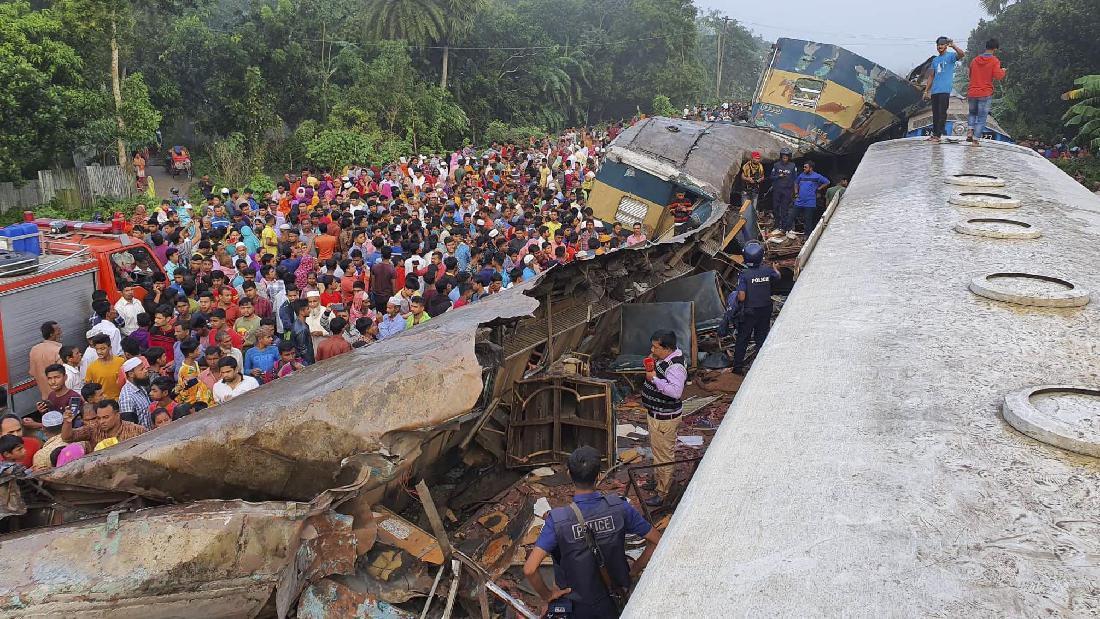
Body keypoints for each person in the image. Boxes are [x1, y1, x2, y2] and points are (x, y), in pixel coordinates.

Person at [523, 446, 662, 618]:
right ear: (598, 476)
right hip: (614, 599)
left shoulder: (557, 521)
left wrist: (548, 596)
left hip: (576, 606)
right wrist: (634, 570)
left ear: (568, 475)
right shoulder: (621, 508)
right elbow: (656, 540)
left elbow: (529, 569)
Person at [639, 330, 687, 507]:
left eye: (655, 347)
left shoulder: (675, 367)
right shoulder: (667, 359)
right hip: (656, 415)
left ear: (667, 348)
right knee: (658, 452)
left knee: (664, 456)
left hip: (664, 419)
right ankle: (659, 481)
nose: (652, 349)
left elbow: (675, 392)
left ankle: (663, 492)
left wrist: (654, 380)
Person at [731, 241, 780, 374]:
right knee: (761, 338)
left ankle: (737, 368)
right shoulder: (767, 270)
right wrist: (775, 268)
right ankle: (761, 367)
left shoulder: (744, 274)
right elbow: (777, 277)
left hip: (749, 311)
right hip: (765, 309)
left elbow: (741, 297)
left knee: (743, 338)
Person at [923, 36, 965, 144]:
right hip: (935, 90)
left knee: (942, 113)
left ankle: (938, 135)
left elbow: (962, 54)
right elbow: (931, 76)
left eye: (941, 45)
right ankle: (934, 134)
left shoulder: (950, 56)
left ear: (946, 46)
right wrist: (926, 90)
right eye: (938, 45)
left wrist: (954, 46)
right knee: (935, 113)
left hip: (945, 90)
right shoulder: (935, 60)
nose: (939, 47)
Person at [967, 38, 1006, 146]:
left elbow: (970, 75)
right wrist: (1003, 71)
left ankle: (970, 131)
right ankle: (975, 140)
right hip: (985, 93)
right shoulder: (994, 61)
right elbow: (998, 76)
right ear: (995, 49)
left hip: (972, 92)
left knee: (972, 113)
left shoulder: (975, 60)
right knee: (981, 118)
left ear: (986, 47)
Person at [61, 399, 146, 448]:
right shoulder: (92, 429)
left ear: (117, 415)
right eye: (99, 418)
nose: (101, 422)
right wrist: (67, 422)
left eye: (106, 417)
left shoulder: (137, 431)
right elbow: (67, 438)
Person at [793, 161, 829, 236]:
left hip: (810, 202)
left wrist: (819, 188)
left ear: (811, 168)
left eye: (806, 167)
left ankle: (808, 236)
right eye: (804, 167)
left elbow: (827, 182)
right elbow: (796, 183)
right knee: (792, 215)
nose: (804, 168)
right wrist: (796, 193)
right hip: (800, 201)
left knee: (808, 220)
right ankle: (786, 230)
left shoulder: (817, 176)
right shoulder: (801, 175)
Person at [84, 334, 124, 400]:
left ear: (110, 347)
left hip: (121, 399)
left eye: (103, 349)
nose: (99, 352)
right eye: (97, 349)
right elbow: (88, 386)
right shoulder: (91, 367)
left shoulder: (121, 362)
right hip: (103, 403)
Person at [29, 321, 63, 399]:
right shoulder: (58, 350)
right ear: (51, 334)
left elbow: (32, 372)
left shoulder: (34, 349)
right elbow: (63, 375)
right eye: (58, 330)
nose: (61, 332)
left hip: (45, 397)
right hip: (59, 397)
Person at [118, 357, 153, 428]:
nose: (146, 371)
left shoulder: (140, 386)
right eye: (141, 369)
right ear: (131, 374)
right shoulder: (127, 398)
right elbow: (129, 427)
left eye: (144, 368)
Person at [770, 147, 797, 235]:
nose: (785, 158)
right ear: (781, 156)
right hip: (777, 190)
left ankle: (785, 227)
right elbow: (771, 177)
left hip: (787, 191)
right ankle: (777, 225)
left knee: (785, 209)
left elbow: (795, 180)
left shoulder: (793, 166)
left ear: (789, 157)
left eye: (787, 156)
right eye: (783, 156)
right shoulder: (776, 165)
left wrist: (795, 192)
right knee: (776, 208)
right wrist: (779, 176)